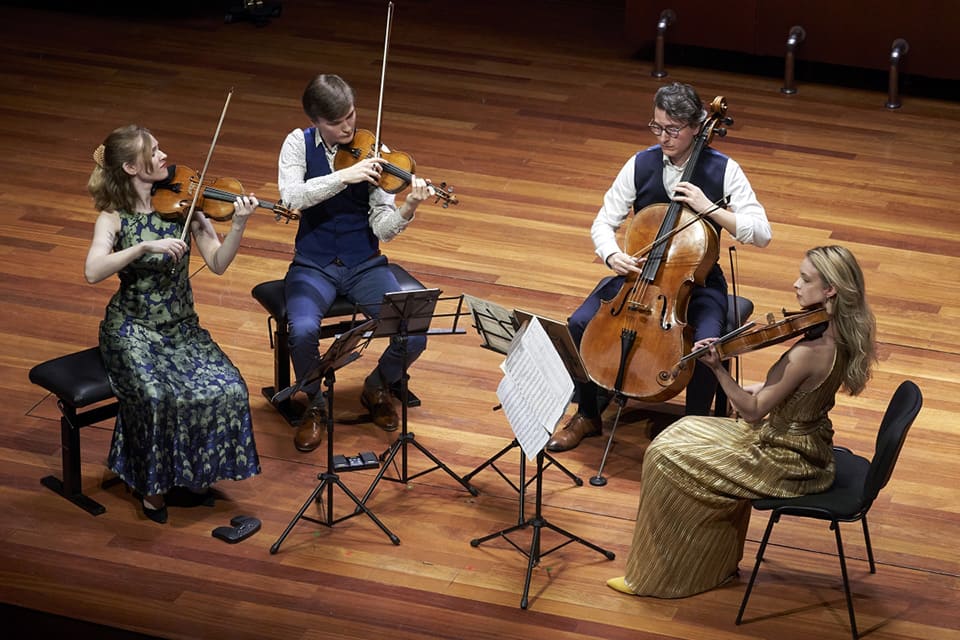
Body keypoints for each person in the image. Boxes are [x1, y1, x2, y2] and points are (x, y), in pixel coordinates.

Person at [606, 245, 877, 598]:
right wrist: (756, 386)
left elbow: (751, 410)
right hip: (807, 447)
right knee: (683, 431)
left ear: (831, 290)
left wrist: (718, 368)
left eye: (806, 279)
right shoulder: (835, 333)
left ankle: (658, 577)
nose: (795, 285)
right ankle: (712, 561)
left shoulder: (808, 353)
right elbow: (791, 392)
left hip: (782, 460)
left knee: (664, 454)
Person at [546, 81, 773, 453]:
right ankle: (587, 413)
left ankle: (694, 429)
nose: (663, 137)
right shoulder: (640, 163)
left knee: (705, 347)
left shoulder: (725, 170)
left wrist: (711, 208)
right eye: (657, 127)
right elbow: (603, 222)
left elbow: (762, 234)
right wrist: (611, 254)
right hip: (636, 276)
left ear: (697, 127)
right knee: (577, 325)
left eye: (672, 130)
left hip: (696, 285)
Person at [85, 125, 261, 524]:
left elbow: (217, 263)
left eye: (161, 148)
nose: (165, 156)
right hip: (133, 330)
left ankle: (196, 473)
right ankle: (151, 486)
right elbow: (93, 271)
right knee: (155, 397)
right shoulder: (114, 219)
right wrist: (143, 246)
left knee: (230, 387)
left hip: (181, 328)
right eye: (154, 151)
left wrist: (238, 225)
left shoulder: (186, 207)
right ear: (131, 167)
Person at [278, 73, 433, 453]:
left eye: (351, 115)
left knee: (412, 332)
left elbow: (383, 227)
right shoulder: (297, 144)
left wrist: (408, 207)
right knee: (300, 330)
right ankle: (314, 402)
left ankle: (377, 385)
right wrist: (343, 176)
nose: (348, 127)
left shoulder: (374, 150)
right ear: (316, 121)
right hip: (313, 265)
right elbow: (292, 196)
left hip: (364, 263)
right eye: (337, 122)